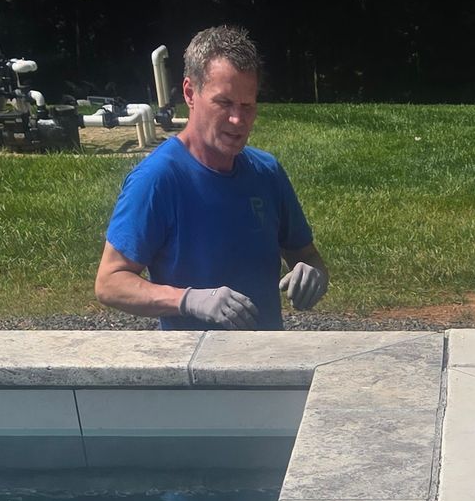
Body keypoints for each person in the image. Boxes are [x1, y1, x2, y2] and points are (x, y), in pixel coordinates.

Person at [95, 24, 328, 329]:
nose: (237, 119)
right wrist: (188, 300)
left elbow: (307, 255)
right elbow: (110, 282)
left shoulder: (266, 172)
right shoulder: (158, 179)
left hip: (267, 363)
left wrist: (313, 274)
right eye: (224, 103)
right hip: (193, 368)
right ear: (191, 93)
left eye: (247, 106)